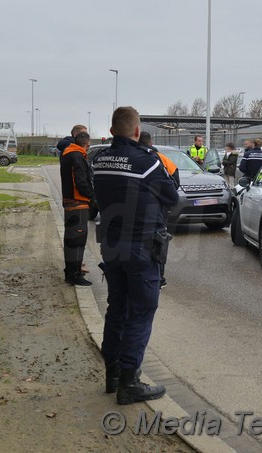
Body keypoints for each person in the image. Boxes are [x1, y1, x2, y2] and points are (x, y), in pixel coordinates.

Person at [93, 106, 179, 404]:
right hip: (141, 248)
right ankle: (130, 382)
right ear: (137, 131)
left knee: (117, 308)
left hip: (112, 246)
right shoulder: (147, 161)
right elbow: (172, 196)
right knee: (141, 311)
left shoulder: (99, 159)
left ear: (112, 129)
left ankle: (112, 374)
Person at [138, 131, 179, 289]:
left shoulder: (133, 157)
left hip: (134, 210)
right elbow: (175, 183)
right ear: (151, 141)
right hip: (158, 209)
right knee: (159, 242)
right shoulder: (161, 159)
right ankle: (159, 278)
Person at [59, 131, 93, 286]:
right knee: (77, 241)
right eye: (88, 146)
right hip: (78, 203)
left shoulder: (67, 154)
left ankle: (71, 272)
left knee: (71, 241)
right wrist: (92, 198)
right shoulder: (77, 156)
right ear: (86, 144)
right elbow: (80, 181)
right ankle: (74, 275)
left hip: (70, 202)